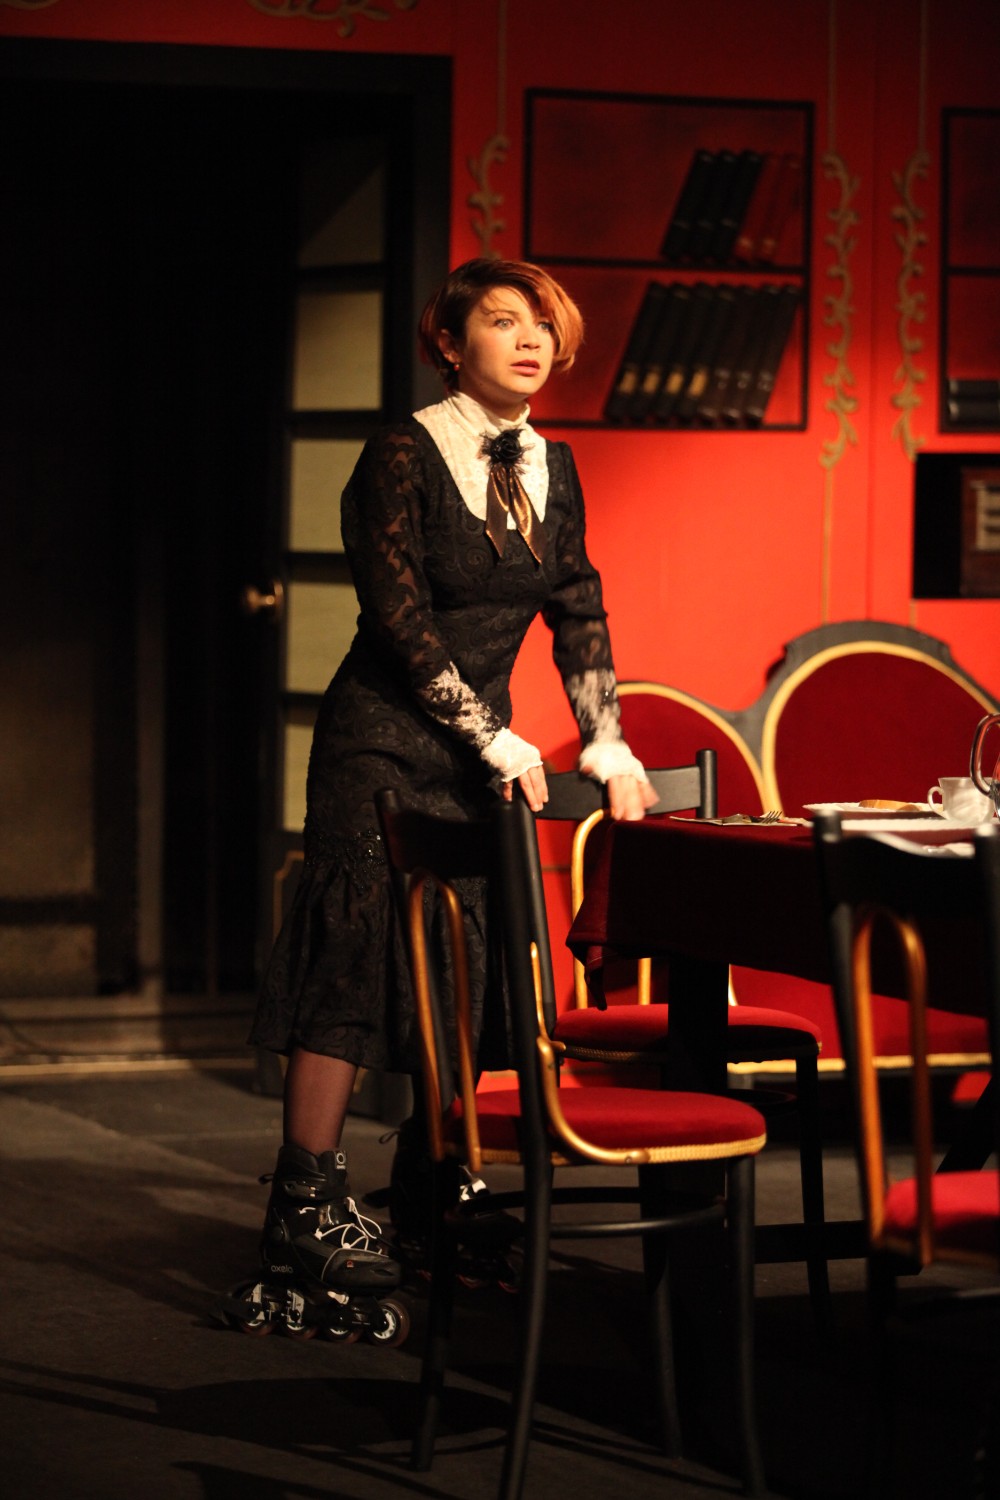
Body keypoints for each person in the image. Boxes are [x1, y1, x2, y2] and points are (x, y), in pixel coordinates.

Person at [243, 257, 656, 1332]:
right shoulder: (402, 453)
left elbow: (578, 606)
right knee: (354, 954)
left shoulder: (554, 463)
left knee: (462, 963)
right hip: (383, 744)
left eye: (542, 325)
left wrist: (606, 739)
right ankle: (304, 1202)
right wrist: (490, 732)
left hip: (484, 756)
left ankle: (435, 1186)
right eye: (503, 321)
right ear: (449, 342)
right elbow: (397, 619)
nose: (528, 341)